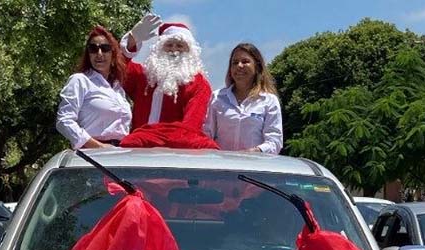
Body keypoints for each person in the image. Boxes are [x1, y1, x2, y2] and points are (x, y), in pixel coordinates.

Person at [118, 15, 217, 148]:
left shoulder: (199, 84)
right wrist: (131, 41)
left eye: (180, 46)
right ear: (159, 49)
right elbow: (117, 68)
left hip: (174, 154)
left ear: (189, 51)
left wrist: (149, 138)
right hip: (137, 151)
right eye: (169, 45)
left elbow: (190, 127)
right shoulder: (145, 76)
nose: (173, 50)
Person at [56, 26, 132, 148]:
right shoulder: (80, 80)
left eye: (105, 48)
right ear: (88, 54)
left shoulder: (118, 89)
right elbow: (64, 121)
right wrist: (98, 146)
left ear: (113, 54)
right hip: (91, 156)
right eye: (93, 49)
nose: (99, 54)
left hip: (120, 154)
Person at [203, 43, 283, 153]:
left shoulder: (269, 101)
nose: (239, 66)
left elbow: (275, 141)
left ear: (257, 67)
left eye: (245, 62)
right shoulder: (217, 97)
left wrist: (255, 151)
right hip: (222, 165)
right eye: (234, 63)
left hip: (255, 166)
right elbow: (206, 134)